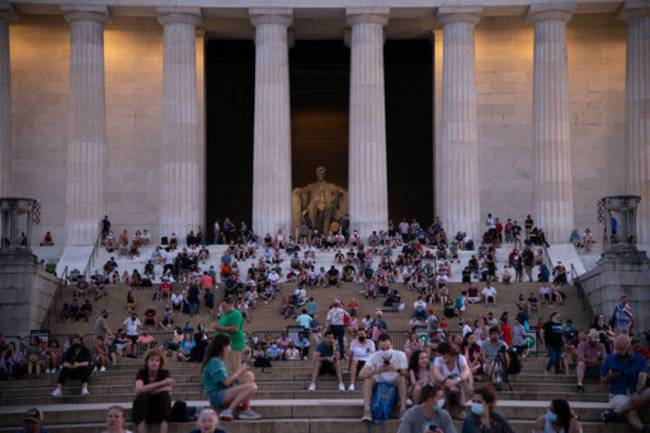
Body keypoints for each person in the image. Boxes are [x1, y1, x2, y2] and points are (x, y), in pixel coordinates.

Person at [202, 333, 261, 421]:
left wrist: (238, 374)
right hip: (217, 395)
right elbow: (225, 382)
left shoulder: (217, 360)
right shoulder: (214, 361)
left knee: (249, 376)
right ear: (223, 347)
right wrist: (238, 373)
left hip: (222, 391)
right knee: (252, 386)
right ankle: (229, 410)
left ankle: (245, 408)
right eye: (229, 345)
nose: (230, 348)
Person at [600, 335, 648, 431]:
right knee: (631, 411)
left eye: (621, 349)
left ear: (630, 348)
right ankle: (643, 430)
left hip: (636, 392)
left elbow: (642, 377)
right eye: (616, 348)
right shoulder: (609, 359)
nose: (617, 351)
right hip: (618, 393)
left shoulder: (641, 359)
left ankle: (615, 413)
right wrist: (610, 376)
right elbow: (602, 382)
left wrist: (636, 392)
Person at [359, 333, 409, 422]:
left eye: (387, 348)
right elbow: (361, 374)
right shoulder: (373, 356)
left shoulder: (400, 355)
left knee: (402, 378)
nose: (385, 351)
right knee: (368, 379)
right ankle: (367, 410)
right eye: (382, 349)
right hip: (379, 380)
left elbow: (407, 374)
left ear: (392, 345)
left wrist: (397, 370)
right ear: (378, 347)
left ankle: (403, 410)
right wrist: (376, 371)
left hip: (395, 381)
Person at [133, 350, 174, 433]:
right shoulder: (141, 372)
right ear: (147, 362)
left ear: (160, 363)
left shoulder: (165, 373)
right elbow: (138, 389)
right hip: (144, 406)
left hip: (159, 407)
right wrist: (162, 383)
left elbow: (169, 388)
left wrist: (150, 390)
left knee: (164, 396)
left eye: (157, 360)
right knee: (142, 396)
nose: (154, 363)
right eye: (151, 360)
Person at [433, 342, 472, 419]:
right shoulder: (438, 359)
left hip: (459, 385)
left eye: (443, 354)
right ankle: (445, 408)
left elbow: (467, 372)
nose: (441, 357)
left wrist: (456, 380)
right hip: (445, 384)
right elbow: (436, 373)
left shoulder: (460, 358)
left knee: (462, 382)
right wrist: (447, 381)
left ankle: (462, 409)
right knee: (439, 383)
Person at [213, 297, 245, 375]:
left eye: (224, 307)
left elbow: (235, 328)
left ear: (230, 305)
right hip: (224, 347)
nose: (223, 309)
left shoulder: (236, 313)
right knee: (225, 369)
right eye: (222, 307)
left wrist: (220, 328)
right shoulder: (224, 315)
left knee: (233, 369)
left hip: (234, 346)